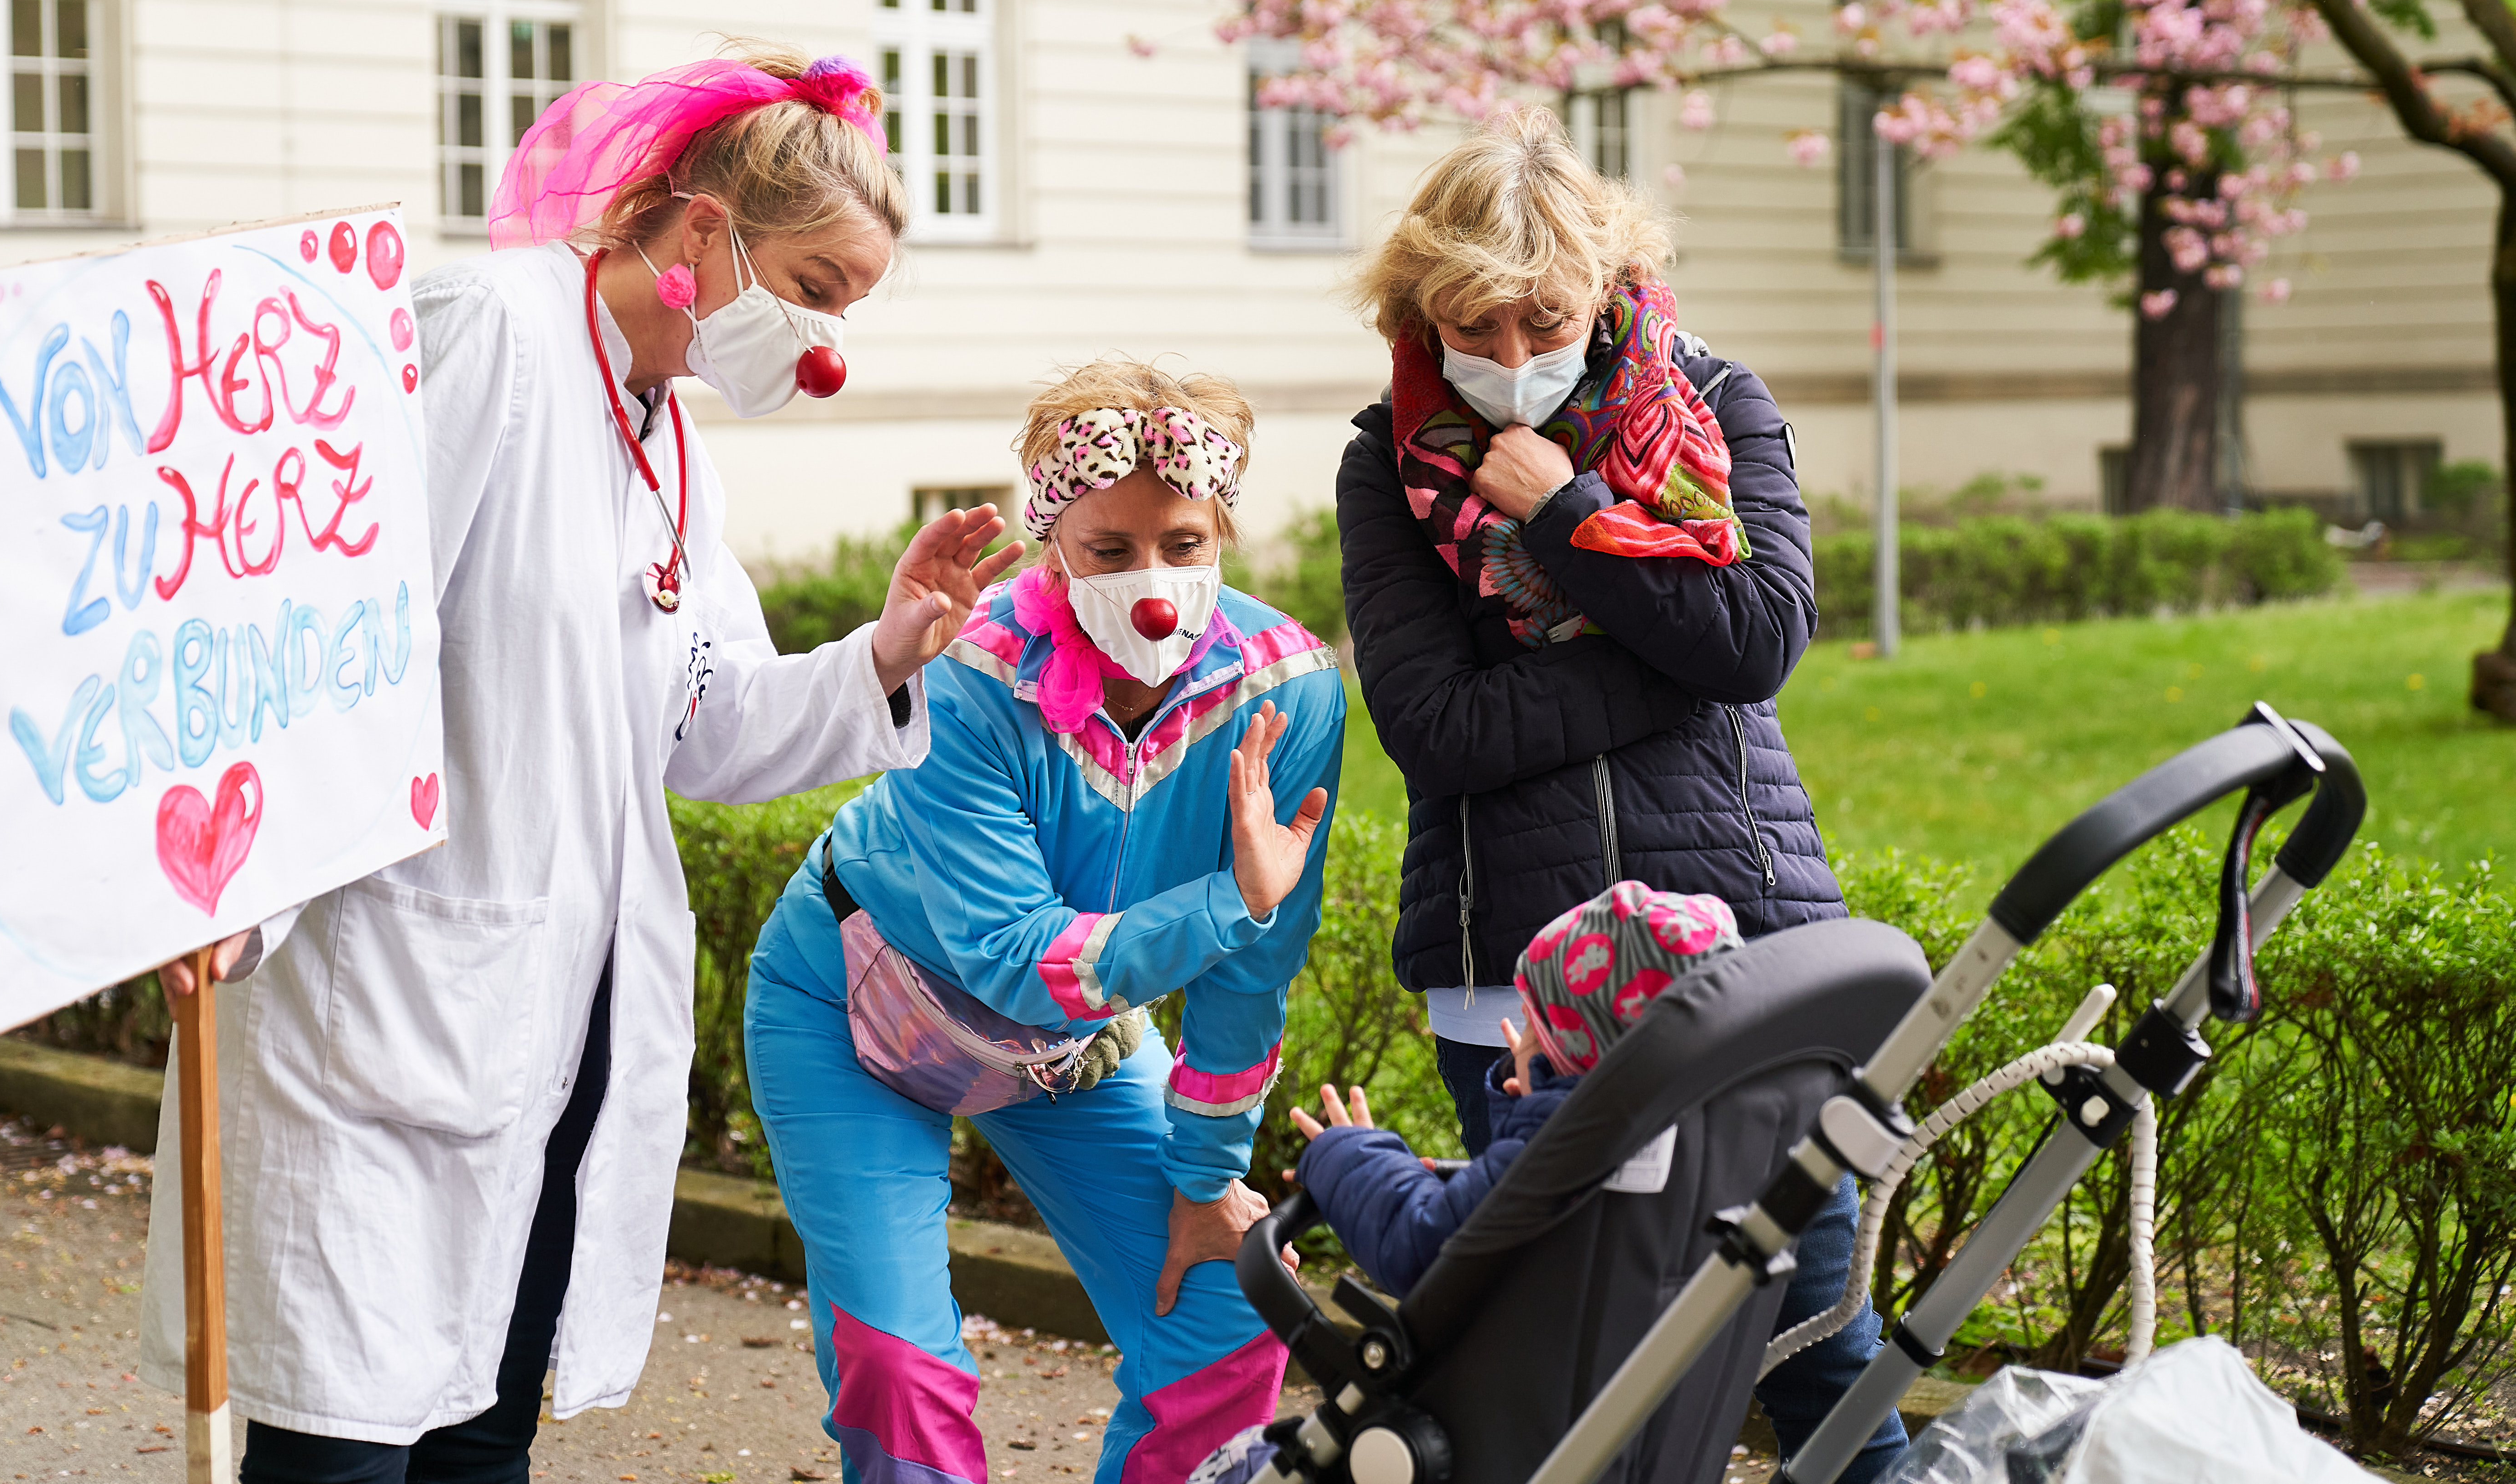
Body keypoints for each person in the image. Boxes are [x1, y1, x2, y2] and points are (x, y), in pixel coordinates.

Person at [140, 43, 1024, 1483]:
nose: (825, 349)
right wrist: (240, 892)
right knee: (345, 1445)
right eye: (814, 289)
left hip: (562, 1032)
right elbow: (327, 639)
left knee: (482, 1441)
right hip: (385, 1002)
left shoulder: (669, 444)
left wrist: (886, 650)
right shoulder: (489, 330)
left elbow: (709, 726)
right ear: (702, 233)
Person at [1333, 106, 1906, 1479]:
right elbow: (1437, 731)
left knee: (1816, 1337)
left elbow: (1760, 637)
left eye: (1545, 320)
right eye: (1473, 327)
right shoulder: (1385, 462)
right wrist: (1675, 653)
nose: (1511, 357)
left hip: (1743, 943)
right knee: (1572, 1364)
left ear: (1604, 288)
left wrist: (1566, 514)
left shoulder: (1716, 403)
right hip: (1511, 972)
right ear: (1420, 312)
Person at [744, 361, 1347, 1484]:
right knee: (895, 1367)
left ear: (1222, 533)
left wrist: (1207, 1177)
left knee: (1228, 1304)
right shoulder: (966, 673)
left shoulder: (1290, 690)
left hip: (1071, 1047)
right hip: (851, 1008)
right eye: (1109, 550)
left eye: (1184, 543)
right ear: (1052, 542)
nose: (1153, 583)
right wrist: (1232, 899)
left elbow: (1249, 976)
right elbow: (1016, 959)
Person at [1184, 881, 1747, 1484]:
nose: (1517, 1037)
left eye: (1533, 1025)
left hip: (1501, 1450)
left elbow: (1422, 1241)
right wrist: (1534, 1097)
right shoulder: (1702, 1153)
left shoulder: (1555, 1162)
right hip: (1629, 1450)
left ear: (1564, 1055)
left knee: (1239, 1468)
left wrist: (1347, 1154)